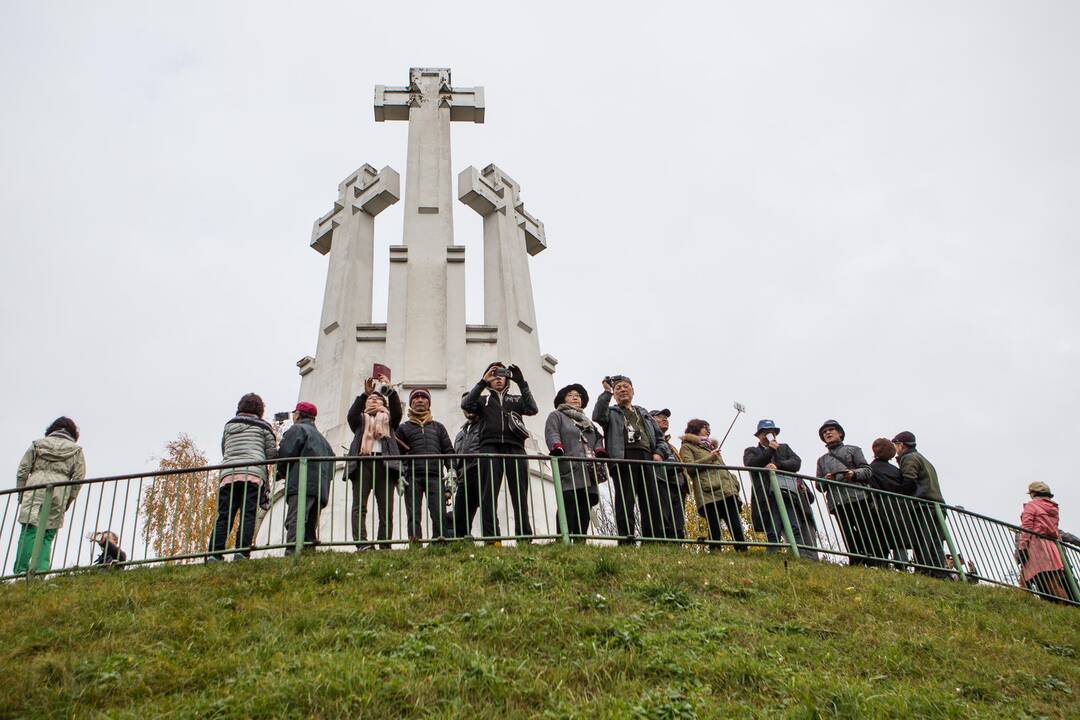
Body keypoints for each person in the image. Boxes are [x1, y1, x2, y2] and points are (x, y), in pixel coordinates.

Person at [462, 362, 539, 540]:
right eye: (494, 375)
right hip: (489, 447)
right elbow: (467, 405)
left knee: (520, 495)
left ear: (507, 379)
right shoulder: (483, 400)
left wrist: (522, 383)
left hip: (515, 448)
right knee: (488, 495)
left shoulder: (516, 400)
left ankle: (524, 537)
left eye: (502, 374)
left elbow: (532, 409)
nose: (498, 378)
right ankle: (491, 539)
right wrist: (482, 382)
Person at [591, 375, 669, 544]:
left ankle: (653, 540)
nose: (622, 390)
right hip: (623, 457)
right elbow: (597, 416)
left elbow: (660, 438)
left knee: (651, 500)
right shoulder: (611, 412)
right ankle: (626, 540)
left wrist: (659, 453)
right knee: (625, 500)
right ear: (614, 393)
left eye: (626, 386)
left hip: (647, 456)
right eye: (618, 388)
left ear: (633, 390)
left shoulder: (644, 413)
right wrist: (606, 393)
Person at [208, 393, 278, 561]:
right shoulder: (263, 427)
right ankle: (241, 551)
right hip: (253, 475)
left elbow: (225, 449)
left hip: (229, 474)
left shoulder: (229, 425)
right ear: (260, 409)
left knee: (225, 514)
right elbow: (271, 455)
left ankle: (214, 553)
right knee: (248, 513)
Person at [13, 417, 86, 575]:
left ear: (52, 429)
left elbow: (23, 470)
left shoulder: (37, 444)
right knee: (48, 532)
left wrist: (21, 494)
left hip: (35, 486)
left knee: (29, 529)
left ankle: (20, 572)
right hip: (60, 490)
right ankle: (40, 571)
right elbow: (78, 479)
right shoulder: (76, 450)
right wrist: (68, 501)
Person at [815, 420, 886, 567]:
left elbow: (867, 470)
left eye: (831, 429)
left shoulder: (853, 450)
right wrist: (826, 479)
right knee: (848, 535)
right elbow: (819, 486)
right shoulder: (822, 460)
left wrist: (853, 474)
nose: (827, 433)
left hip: (858, 497)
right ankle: (856, 563)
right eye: (824, 432)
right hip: (838, 502)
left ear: (840, 433)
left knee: (867, 530)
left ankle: (877, 563)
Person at [744, 419, 818, 560]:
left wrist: (777, 465)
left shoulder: (783, 448)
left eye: (772, 432)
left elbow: (796, 462)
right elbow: (751, 463)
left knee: (794, 525)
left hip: (788, 493)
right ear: (759, 435)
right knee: (773, 527)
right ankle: (772, 555)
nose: (769, 435)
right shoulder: (751, 451)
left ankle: (801, 556)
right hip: (767, 495)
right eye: (765, 433)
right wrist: (770, 450)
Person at [346, 375, 402, 550]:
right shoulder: (360, 420)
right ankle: (362, 543)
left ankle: (384, 543)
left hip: (385, 464)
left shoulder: (390, 419)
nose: (374, 400)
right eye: (371, 399)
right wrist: (364, 394)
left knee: (386, 507)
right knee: (359, 506)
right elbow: (351, 415)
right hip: (363, 463)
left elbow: (397, 411)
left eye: (378, 399)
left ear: (384, 404)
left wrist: (389, 389)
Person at [545, 384, 606, 538]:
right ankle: (563, 537)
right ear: (563, 399)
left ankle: (580, 540)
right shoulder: (557, 415)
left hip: (588, 468)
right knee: (568, 501)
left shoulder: (588, 422)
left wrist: (599, 449)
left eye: (578, 396)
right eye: (571, 395)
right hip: (569, 465)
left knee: (585, 504)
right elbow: (552, 432)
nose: (575, 397)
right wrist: (556, 446)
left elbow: (598, 438)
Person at [396, 388, 455, 542]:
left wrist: (451, 471)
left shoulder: (438, 427)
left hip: (435, 477)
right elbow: (398, 456)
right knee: (413, 514)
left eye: (423, 397)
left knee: (439, 513)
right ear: (411, 403)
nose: (420, 400)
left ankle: (440, 542)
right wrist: (400, 475)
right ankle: (415, 544)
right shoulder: (403, 428)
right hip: (412, 477)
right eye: (416, 398)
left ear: (429, 403)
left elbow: (448, 450)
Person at [679, 419, 747, 550]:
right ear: (695, 428)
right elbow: (689, 468)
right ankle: (715, 551)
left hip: (727, 489)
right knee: (714, 525)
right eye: (705, 427)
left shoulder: (711, 447)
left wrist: (734, 482)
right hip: (708, 491)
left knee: (735, 524)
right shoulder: (687, 446)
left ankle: (743, 551)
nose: (708, 430)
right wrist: (710, 457)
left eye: (709, 427)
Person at [277, 402, 334, 556]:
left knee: (296, 518)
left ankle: (292, 552)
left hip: (301, 483)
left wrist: (280, 473)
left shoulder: (298, 429)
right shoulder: (324, 440)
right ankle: (308, 554)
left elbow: (286, 454)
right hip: (320, 488)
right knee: (310, 524)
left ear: (299, 414)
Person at [892, 431, 949, 578]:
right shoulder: (923, 459)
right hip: (937, 506)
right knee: (936, 542)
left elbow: (909, 483)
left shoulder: (909, 458)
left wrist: (895, 490)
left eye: (896, 445)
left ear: (901, 445)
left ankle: (923, 571)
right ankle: (939, 573)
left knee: (922, 540)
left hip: (924, 506)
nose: (895, 450)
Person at [1017, 482, 1076, 602]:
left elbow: (1027, 528)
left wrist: (1022, 548)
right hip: (1051, 547)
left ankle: (1065, 607)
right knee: (1050, 582)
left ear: (1033, 493)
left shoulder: (1031, 506)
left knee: (1030, 582)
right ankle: (1065, 608)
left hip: (1035, 547)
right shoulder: (1053, 508)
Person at [868, 437, 915, 566]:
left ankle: (882, 564)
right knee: (900, 539)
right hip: (900, 506)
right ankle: (902, 565)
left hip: (881, 506)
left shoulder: (871, 468)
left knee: (883, 536)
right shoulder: (896, 470)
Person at [452, 394, 491, 539]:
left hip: (481, 469)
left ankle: (493, 542)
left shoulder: (487, 424)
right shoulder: (460, 434)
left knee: (488, 510)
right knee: (460, 514)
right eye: (465, 406)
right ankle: (461, 544)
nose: (468, 408)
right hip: (464, 475)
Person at [650, 409, 686, 540]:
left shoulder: (671, 445)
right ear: (651, 420)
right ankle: (662, 546)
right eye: (660, 416)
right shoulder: (649, 439)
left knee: (678, 523)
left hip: (678, 485)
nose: (665, 419)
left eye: (666, 417)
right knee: (662, 518)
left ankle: (677, 549)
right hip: (660, 481)